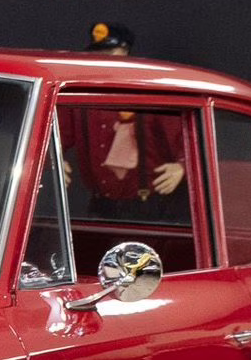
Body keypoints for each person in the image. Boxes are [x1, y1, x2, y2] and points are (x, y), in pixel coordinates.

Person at [61, 21, 187, 216]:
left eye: (110, 54)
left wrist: (182, 166)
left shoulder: (149, 96)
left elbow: (185, 138)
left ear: (125, 53)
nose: (103, 61)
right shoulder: (81, 99)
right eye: (98, 55)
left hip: (147, 207)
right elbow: (55, 135)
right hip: (100, 205)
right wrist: (52, 158)